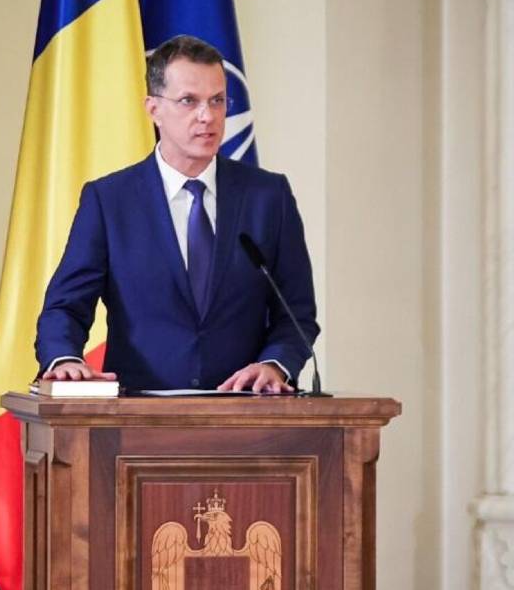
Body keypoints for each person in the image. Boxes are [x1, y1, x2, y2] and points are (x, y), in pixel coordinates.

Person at [35, 35, 318, 393]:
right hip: (137, 411)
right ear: (153, 109)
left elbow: (296, 311)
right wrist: (64, 359)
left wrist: (274, 364)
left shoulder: (268, 197)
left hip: (244, 409)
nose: (207, 116)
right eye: (189, 101)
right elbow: (65, 306)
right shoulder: (110, 200)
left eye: (217, 101)